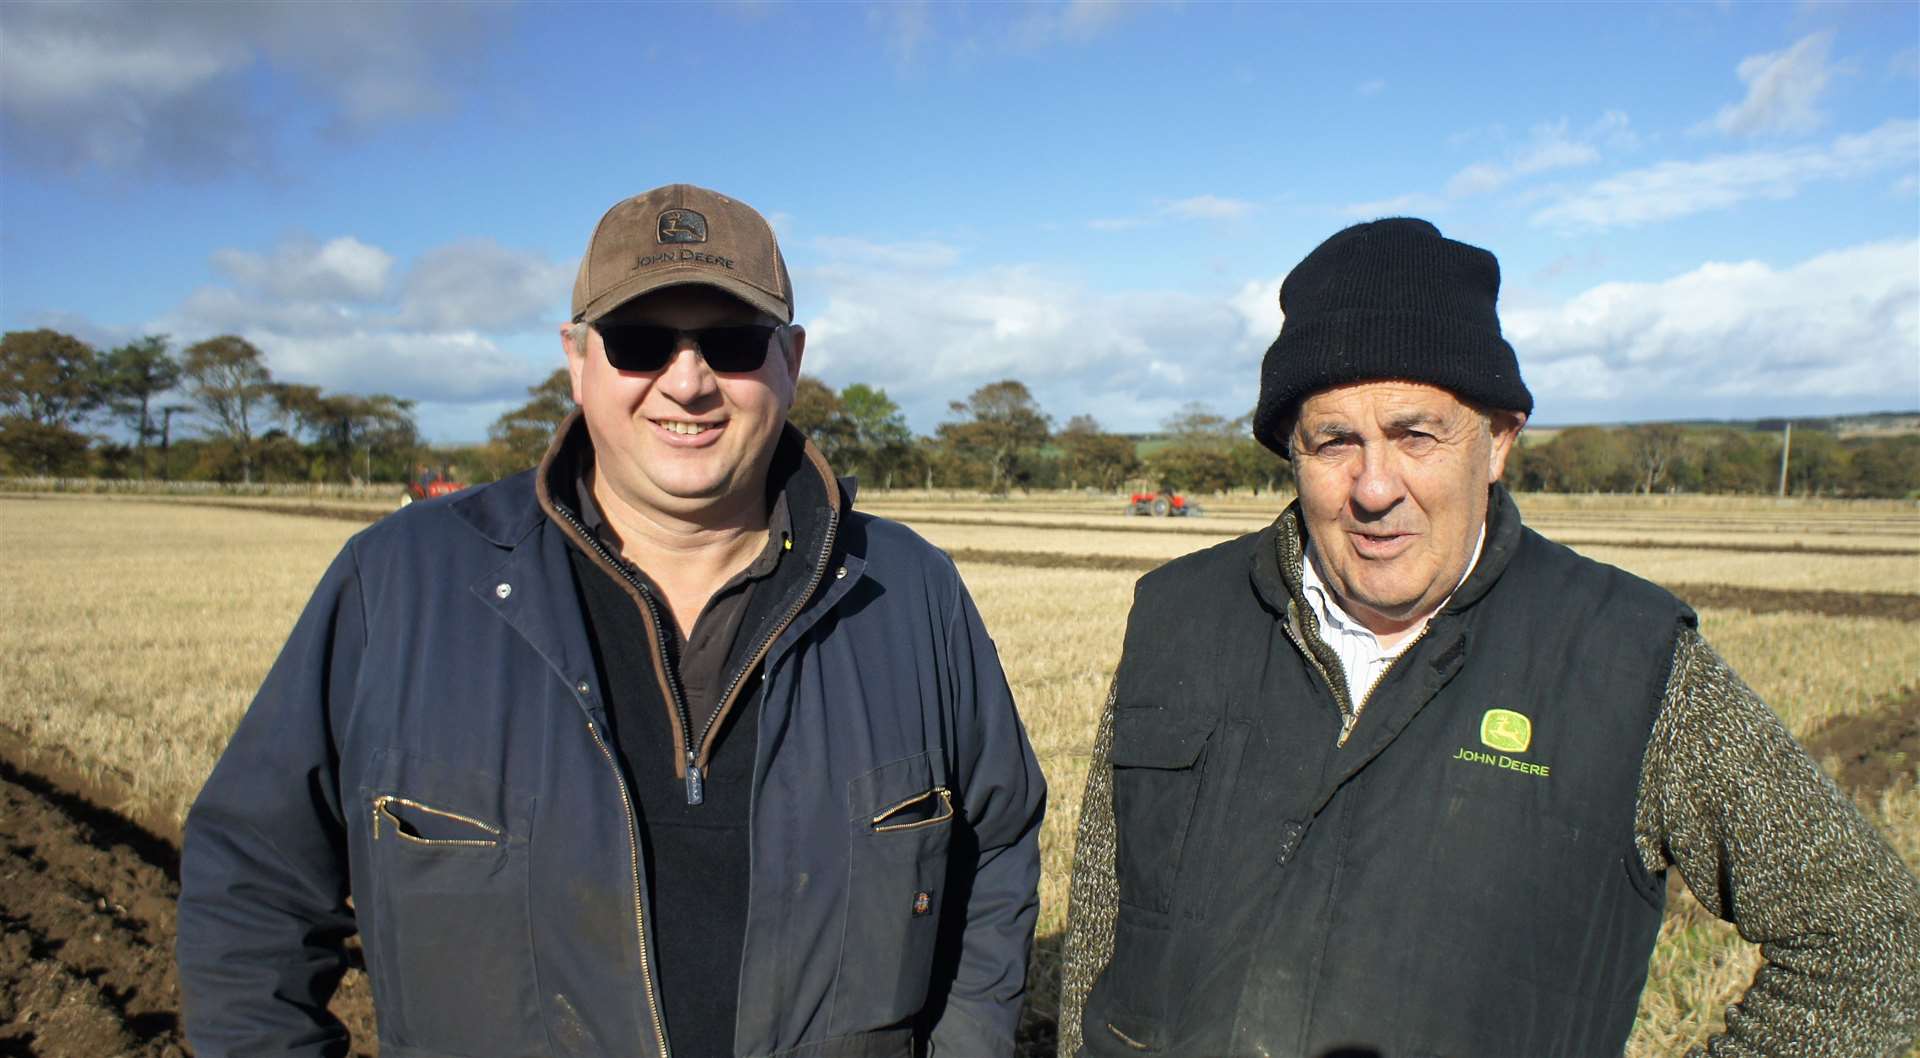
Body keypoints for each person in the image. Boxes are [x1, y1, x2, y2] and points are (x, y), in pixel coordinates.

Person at [178, 184, 1046, 1058]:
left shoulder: (909, 592)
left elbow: (995, 855)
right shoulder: (399, 585)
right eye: (639, 343)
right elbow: (252, 889)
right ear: (577, 358)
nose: (689, 381)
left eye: (733, 343)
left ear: (790, 358)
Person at [1057, 218, 1920, 1057]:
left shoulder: (1629, 659)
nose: (1373, 487)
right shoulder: (1177, 615)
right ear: (1292, 449)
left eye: (1415, 434)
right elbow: (1102, 927)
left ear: (1499, 441)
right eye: (1333, 442)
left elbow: (1872, 946)